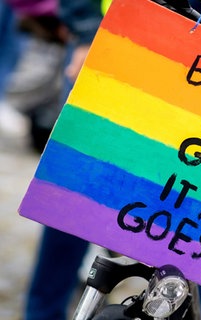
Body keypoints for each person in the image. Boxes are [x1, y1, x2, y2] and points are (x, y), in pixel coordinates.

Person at [23, 1, 102, 319]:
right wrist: (86, 31)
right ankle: (44, 312)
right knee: (76, 193)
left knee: (197, 202)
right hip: (119, 36)